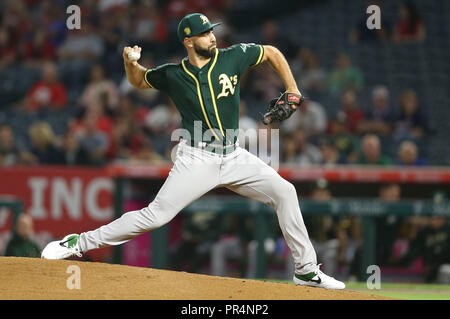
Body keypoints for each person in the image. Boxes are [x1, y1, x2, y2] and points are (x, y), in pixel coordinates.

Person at [41, 13, 345, 290]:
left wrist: (292, 88)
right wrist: (130, 64)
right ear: (188, 40)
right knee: (155, 217)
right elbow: (139, 81)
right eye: (204, 34)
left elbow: (272, 52)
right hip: (198, 157)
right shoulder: (173, 74)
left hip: (235, 155)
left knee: (285, 192)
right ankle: (77, 242)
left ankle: (305, 270)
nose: (212, 37)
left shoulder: (232, 57)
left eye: (211, 32)